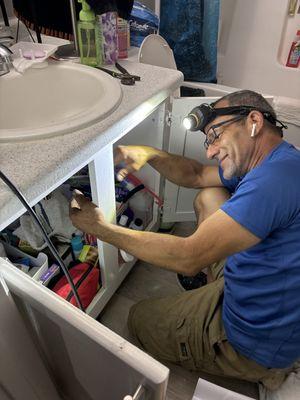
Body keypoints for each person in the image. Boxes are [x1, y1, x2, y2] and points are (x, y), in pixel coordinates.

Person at [69, 90, 300, 390]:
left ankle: (259, 368)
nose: (210, 151)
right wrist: (149, 153)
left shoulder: (273, 182)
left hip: (254, 338)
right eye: (208, 141)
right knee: (210, 195)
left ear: (254, 121)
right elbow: (196, 174)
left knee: (138, 319)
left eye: (215, 135)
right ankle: (211, 291)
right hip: (262, 286)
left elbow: (188, 257)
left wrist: (102, 228)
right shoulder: (280, 162)